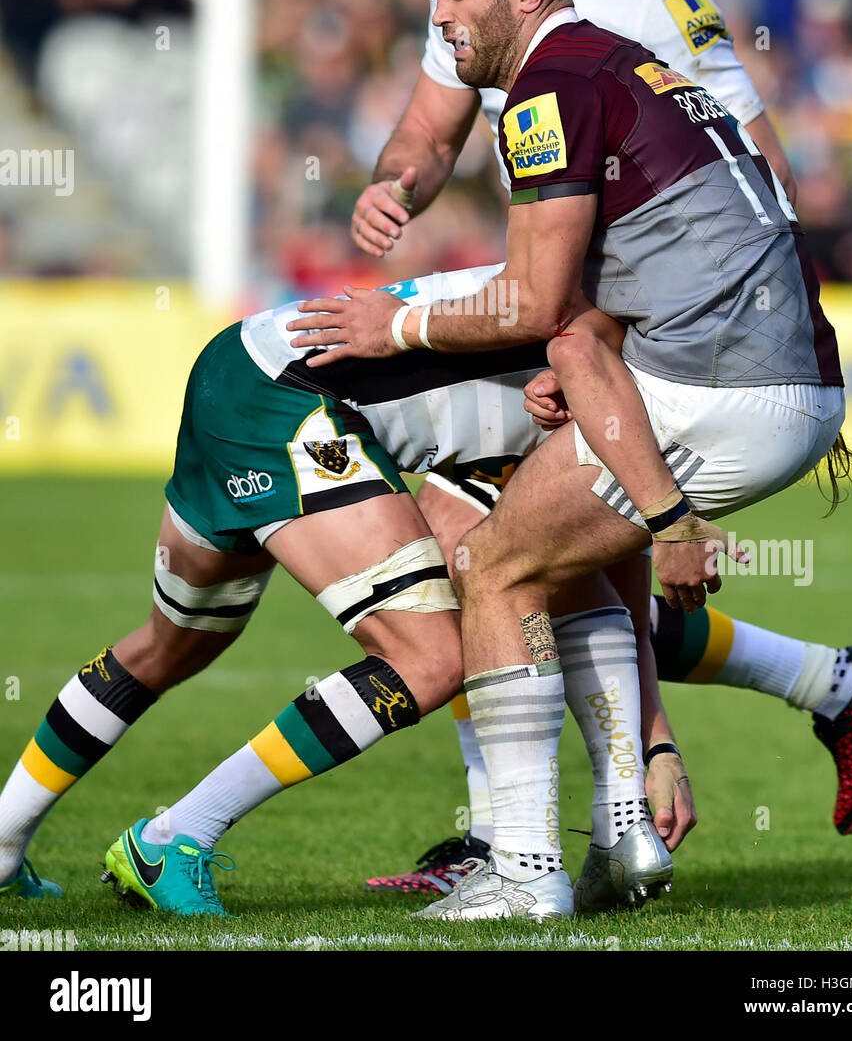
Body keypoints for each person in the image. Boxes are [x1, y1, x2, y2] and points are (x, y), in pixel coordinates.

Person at [345, 0, 852, 894]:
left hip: (658, 318)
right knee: (521, 536)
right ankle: (806, 698)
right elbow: (427, 125)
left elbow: (751, 166)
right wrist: (395, 185)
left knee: (506, 545)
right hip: (596, 300)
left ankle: (559, 828)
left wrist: (755, 318)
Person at [0, 266, 684, 916]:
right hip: (290, 403)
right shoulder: (627, 362)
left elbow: (602, 564)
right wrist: (651, 748)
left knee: (170, 645)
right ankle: (171, 841)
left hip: (244, 366)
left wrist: (655, 747)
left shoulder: (600, 307)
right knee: (435, 657)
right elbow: (610, 575)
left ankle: (1, 847)